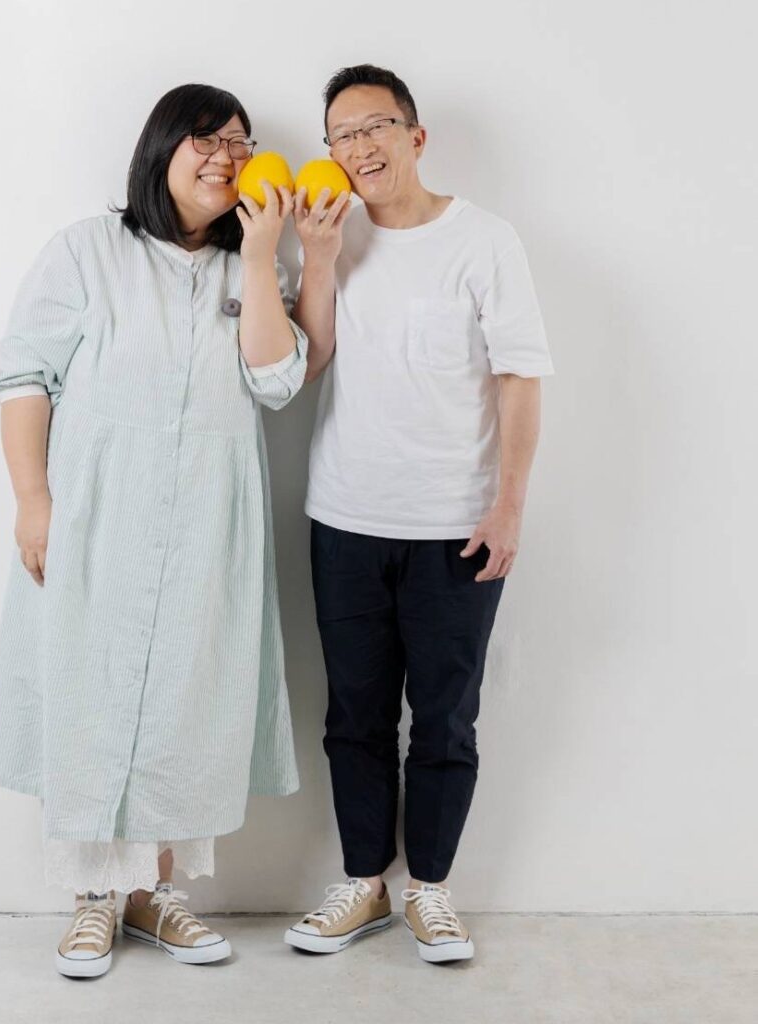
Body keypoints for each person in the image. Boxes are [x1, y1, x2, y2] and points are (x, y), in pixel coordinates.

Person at [0, 83, 306, 975]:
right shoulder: (86, 251)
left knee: (185, 704)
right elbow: (24, 377)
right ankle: (94, 901)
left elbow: (277, 382)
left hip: (210, 520)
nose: (225, 158)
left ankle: (153, 896)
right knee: (89, 695)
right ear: (161, 148)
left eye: (240, 144)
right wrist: (33, 500)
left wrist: (264, 255)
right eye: (205, 139)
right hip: (99, 512)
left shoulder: (253, 267)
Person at [285, 65, 553, 962]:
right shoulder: (332, 231)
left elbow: (519, 376)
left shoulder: (484, 240)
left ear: (414, 136)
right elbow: (309, 362)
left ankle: (429, 890)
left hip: (455, 526)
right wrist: (316, 259)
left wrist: (507, 505)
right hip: (344, 519)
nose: (359, 147)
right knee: (353, 715)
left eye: (375, 126)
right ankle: (363, 883)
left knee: (443, 718)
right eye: (342, 135)